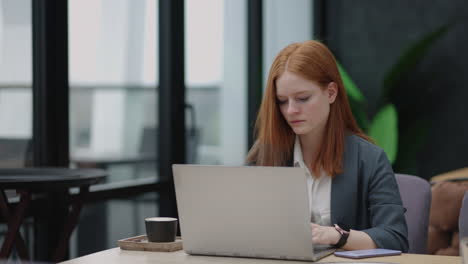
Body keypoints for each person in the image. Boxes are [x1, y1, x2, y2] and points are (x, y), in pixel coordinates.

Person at [246, 40, 408, 252]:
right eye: (282, 101)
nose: (291, 110)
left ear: (331, 93)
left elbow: (395, 238)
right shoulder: (264, 155)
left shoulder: (369, 159)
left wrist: (335, 236)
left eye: (302, 98)